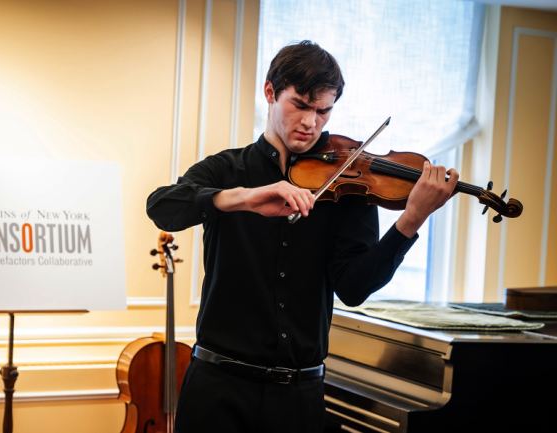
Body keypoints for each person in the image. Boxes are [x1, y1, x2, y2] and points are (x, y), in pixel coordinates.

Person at [145, 40, 458, 433]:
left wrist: (411, 220)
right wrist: (243, 197)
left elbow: (354, 287)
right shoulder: (227, 170)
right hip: (218, 390)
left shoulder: (345, 184)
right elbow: (162, 206)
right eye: (301, 105)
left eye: (323, 111)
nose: (312, 122)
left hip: (298, 398)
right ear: (270, 93)